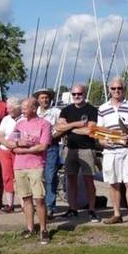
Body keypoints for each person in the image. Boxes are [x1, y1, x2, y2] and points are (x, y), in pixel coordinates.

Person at [97, 77, 128, 227]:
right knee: (113, 183)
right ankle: (117, 214)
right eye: (113, 89)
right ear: (109, 90)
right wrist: (103, 142)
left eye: (120, 88)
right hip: (111, 151)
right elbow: (99, 132)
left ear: (124, 89)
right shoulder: (102, 108)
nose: (117, 91)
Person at [6, 97, 52, 244]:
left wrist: (24, 150)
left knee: (39, 198)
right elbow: (11, 144)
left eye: (26, 108)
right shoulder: (19, 124)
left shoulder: (44, 124)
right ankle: (30, 228)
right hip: (19, 166)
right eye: (22, 108)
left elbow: (43, 146)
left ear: (34, 108)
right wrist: (20, 143)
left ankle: (43, 229)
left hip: (36, 166)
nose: (23, 110)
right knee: (25, 198)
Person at [55, 84, 100, 222]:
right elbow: (59, 127)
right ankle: (72, 208)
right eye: (74, 94)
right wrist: (77, 125)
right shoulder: (66, 110)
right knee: (71, 180)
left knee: (89, 181)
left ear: (84, 93)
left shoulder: (92, 110)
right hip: (70, 148)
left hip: (87, 148)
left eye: (79, 94)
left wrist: (69, 128)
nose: (76, 96)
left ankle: (91, 210)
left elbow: (90, 130)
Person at [33, 88, 62, 219]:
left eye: (46, 97)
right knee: (37, 177)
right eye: (42, 98)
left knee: (50, 177)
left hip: (51, 147)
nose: (45, 100)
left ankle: (50, 207)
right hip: (37, 148)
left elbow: (61, 128)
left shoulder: (56, 112)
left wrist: (52, 136)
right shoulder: (35, 112)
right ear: (38, 100)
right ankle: (39, 204)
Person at [0, 97, 22, 213]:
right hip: (5, 150)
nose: (9, 110)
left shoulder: (24, 119)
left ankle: (23, 204)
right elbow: (0, 135)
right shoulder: (6, 119)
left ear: (17, 108)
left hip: (20, 151)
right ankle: (9, 204)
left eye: (11, 107)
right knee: (7, 176)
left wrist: (16, 145)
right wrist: (7, 144)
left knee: (20, 177)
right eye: (8, 107)